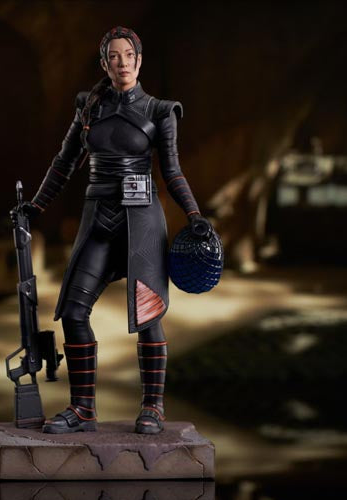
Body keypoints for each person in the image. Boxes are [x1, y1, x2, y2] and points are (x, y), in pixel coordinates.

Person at [16, 26, 210, 434]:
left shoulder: (160, 111)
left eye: (129, 55)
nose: (123, 63)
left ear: (139, 60)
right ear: (104, 63)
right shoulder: (89, 108)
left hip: (142, 222)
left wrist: (193, 214)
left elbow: (172, 171)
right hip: (98, 219)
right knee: (73, 311)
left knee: (149, 314)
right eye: (114, 56)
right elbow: (64, 162)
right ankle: (83, 408)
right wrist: (36, 204)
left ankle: (153, 406)